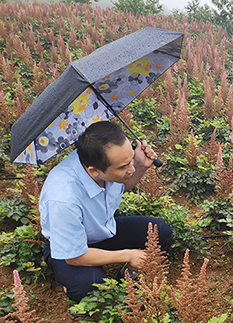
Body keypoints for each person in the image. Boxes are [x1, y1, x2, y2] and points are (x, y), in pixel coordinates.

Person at [39, 121, 173, 303]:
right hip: (72, 248)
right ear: (94, 171)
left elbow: (122, 185)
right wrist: (128, 254)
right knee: (89, 287)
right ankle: (69, 283)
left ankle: (127, 274)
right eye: (123, 167)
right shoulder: (63, 198)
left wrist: (141, 165)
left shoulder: (105, 161)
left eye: (131, 160)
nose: (131, 169)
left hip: (105, 227)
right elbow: (73, 257)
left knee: (161, 233)